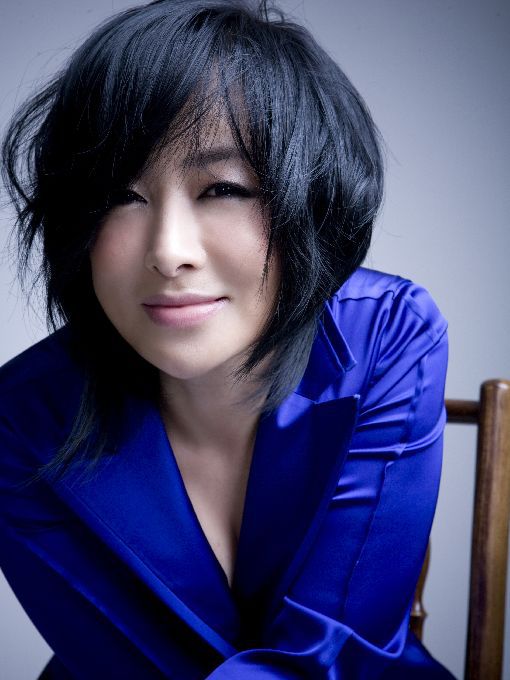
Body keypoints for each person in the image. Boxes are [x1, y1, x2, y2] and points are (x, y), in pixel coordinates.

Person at [0, 1, 455, 678]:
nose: (169, 252)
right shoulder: (21, 419)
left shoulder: (387, 333)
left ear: (312, 200)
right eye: (120, 195)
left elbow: (334, 655)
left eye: (222, 188)